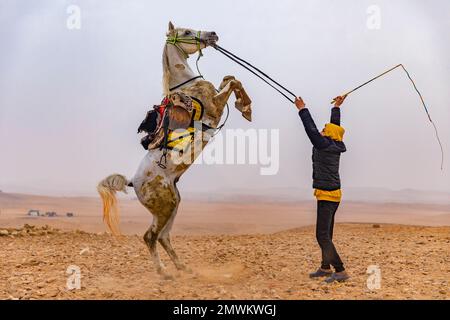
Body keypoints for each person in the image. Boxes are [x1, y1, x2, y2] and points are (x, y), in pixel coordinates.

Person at [295, 95, 350, 283]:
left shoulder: (324, 144)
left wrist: (302, 109)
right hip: (332, 194)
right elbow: (334, 126)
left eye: (325, 130)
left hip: (327, 195)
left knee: (322, 236)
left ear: (329, 135)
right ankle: (326, 268)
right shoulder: (334, 143)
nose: (322, 130)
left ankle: (340, 270)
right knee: (328, 233)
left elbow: (310, 130)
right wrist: (336, 107)